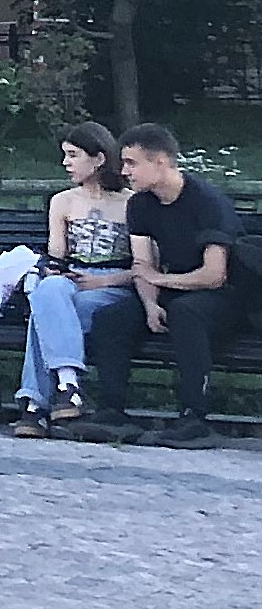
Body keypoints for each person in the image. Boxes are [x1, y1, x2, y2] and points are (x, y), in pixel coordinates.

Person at [84, 123, 249, 449]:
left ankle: (194, 417)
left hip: (226, 296)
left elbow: (215, 275)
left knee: (186, 314)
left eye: (132, 163)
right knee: (112, 318)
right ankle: (111, 412)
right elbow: (142, 265)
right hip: (175, 288)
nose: (124, 172)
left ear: (160, 162)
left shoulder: (206, 202)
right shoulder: (140, 204)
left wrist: (160, 280)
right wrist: (150, 304)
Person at [11, 122, 136, 436]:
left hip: (114, 283)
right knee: (49, 290)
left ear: (99, 159)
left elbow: (145, 267)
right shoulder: (62, 201)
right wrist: (53, 270)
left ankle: (34, 404)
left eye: (73, 155)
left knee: (43, 312)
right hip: (71, 280)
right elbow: (56, 256)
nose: (65, 163)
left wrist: (102, 282)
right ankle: (68, 386)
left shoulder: (131, 202)